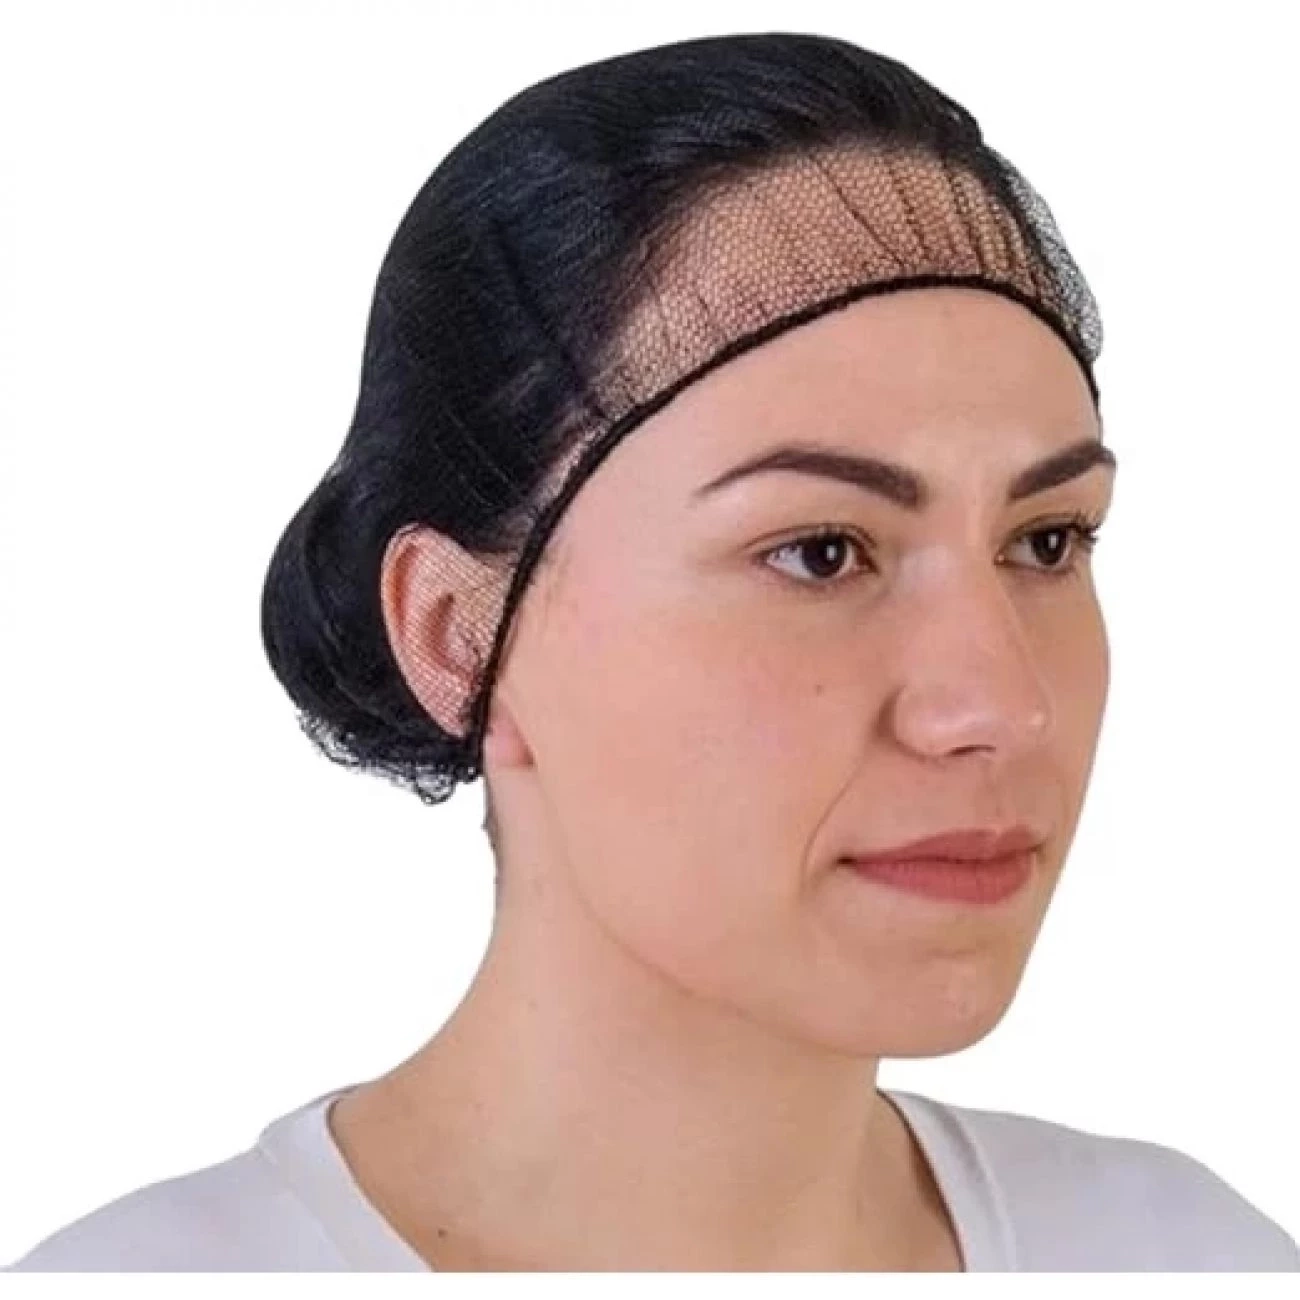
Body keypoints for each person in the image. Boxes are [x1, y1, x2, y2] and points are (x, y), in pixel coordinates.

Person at [8, 31, 1298, 1273]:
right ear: (461, 636)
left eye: (1047, 540)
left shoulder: (1190, 1255)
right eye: (821, 552)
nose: (1000, 704)